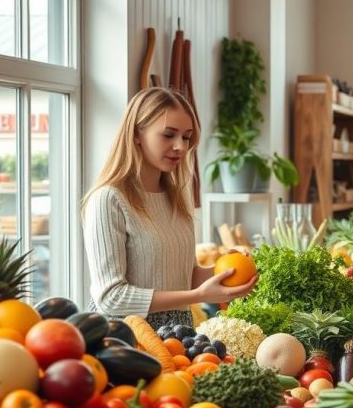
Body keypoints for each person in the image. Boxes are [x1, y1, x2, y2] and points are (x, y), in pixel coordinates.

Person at [82, 87, 256, 328]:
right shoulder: (108, 200)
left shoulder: (176, 198)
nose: (181, 147)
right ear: (136, 134)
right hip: (126, 338)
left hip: (178, 334)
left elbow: (183, 277)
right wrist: (199, 296)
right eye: (168, 135)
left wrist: (224, 270)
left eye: (186, 137)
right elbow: (111, 298)